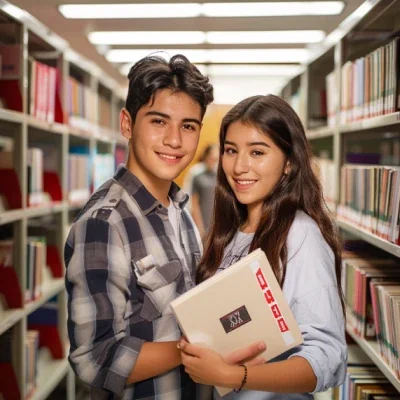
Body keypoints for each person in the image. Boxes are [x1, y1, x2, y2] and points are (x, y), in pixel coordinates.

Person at [64, 54, 264, 400]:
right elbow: (94, 359)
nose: (174, 140)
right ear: (127, 124)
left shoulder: (180, 208)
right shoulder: (104, 224)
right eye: (159, 122)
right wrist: (198, 349)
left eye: (188, 126)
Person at [179, 94, 347, 399]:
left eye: (257, 152)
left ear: (289, 163)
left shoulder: (300, 236)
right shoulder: (229, 232)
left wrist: (233, 375)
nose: (239, 166)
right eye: (231, 150)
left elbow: (328, 358)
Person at [191, 144, 219, 237]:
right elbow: (194, 203)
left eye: (216, 159)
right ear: (206, 157)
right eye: (211, 158)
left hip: (216, 222)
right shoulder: (197, 176)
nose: (213, 161)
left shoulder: (219, 177)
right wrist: (199, 226)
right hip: (202, 221)